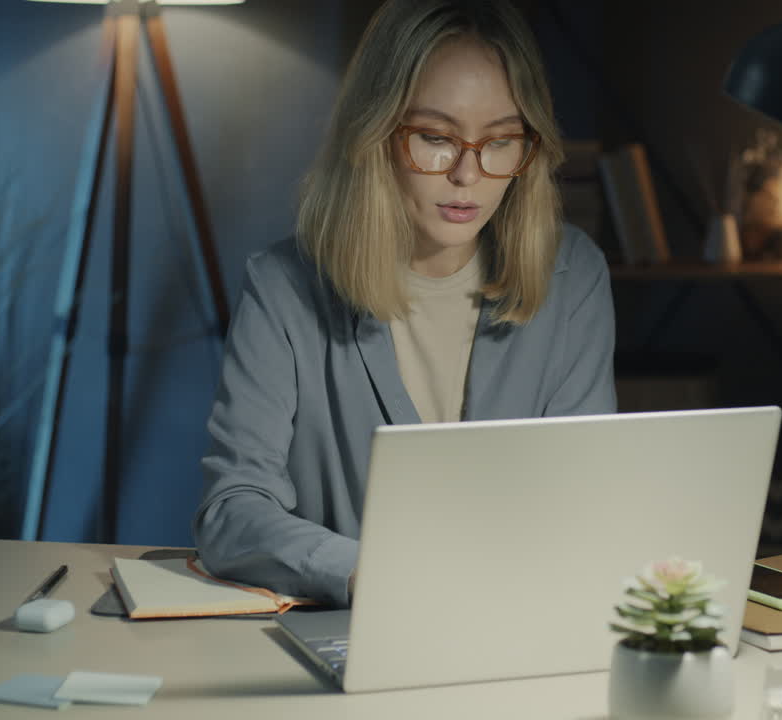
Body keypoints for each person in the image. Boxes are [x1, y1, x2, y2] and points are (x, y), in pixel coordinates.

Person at [192, 0, 616, 607]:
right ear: (375, 136)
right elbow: (231, 510)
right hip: (350, 632)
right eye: (436, 139)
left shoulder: (572, 277)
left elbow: (587, 498)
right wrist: (366, 572)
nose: (468, 175)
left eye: (500, 142)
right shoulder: (285, 286)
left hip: (521, 620)